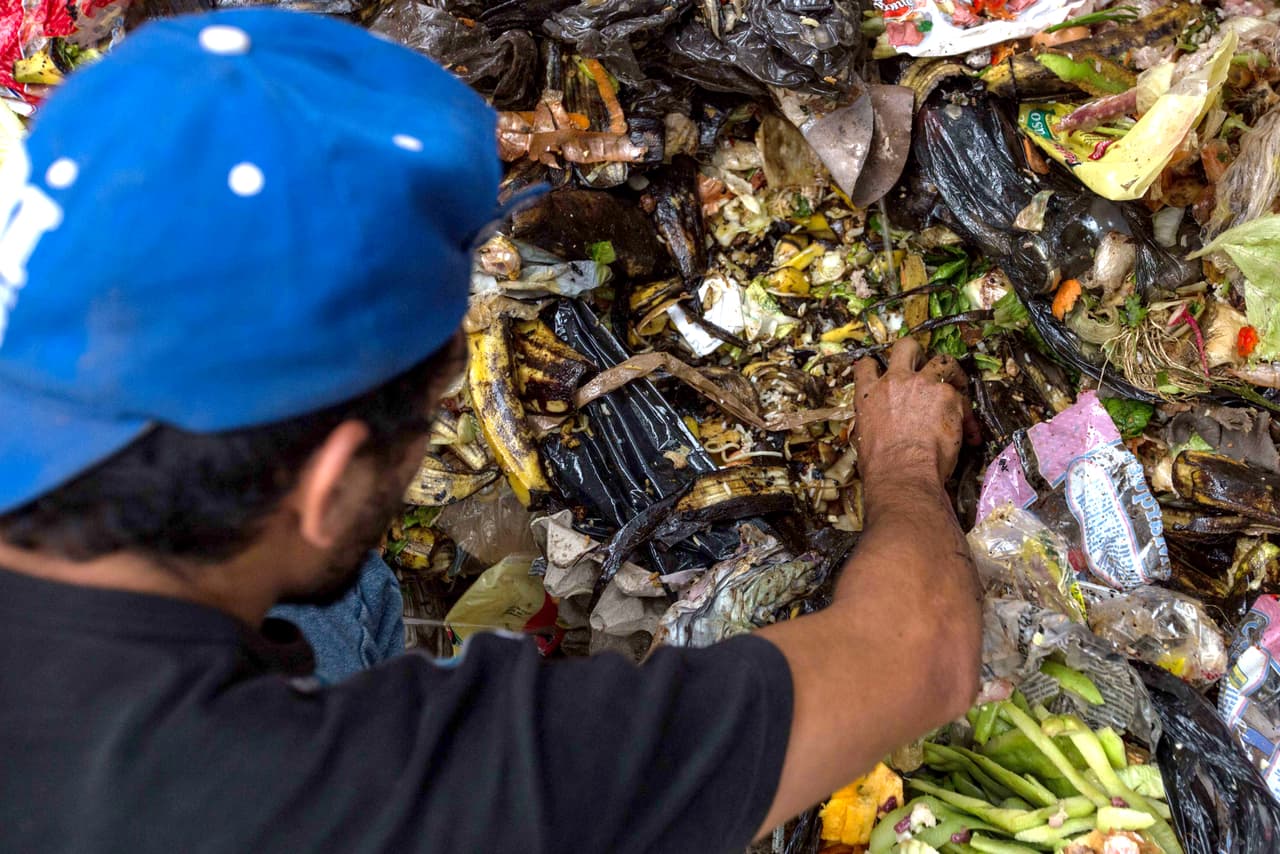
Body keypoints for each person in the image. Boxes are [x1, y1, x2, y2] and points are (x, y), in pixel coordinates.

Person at [0, 9, 982, 853]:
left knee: (343, 598)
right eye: (430, 418)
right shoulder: (353, 799)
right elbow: (918, 650)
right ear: (327, 480)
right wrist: (902, 462)